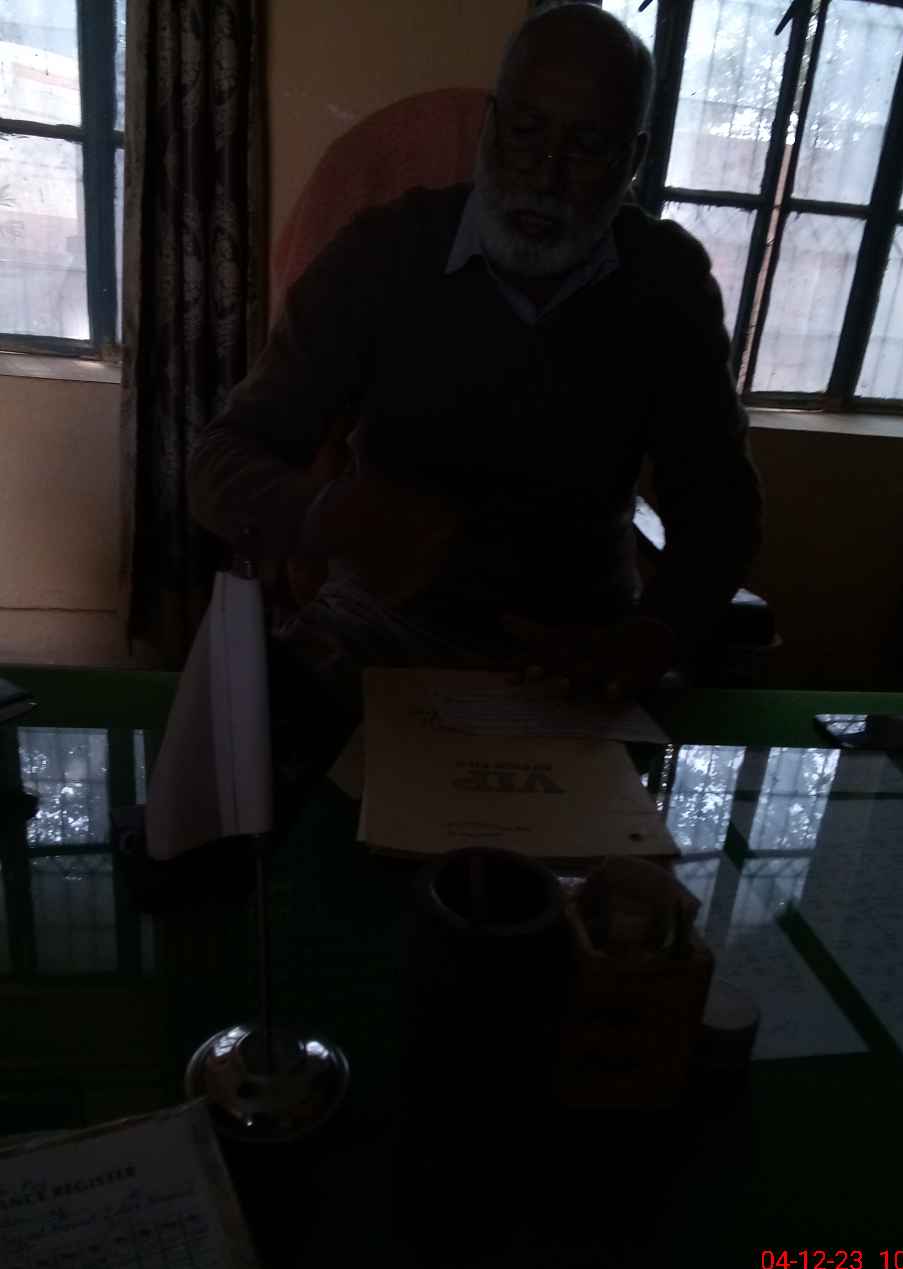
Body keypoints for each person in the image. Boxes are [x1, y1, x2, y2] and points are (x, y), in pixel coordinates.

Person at [188, 1, 763, 731]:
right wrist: (326, 516)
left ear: (634, 159)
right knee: (246, 750)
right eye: (525, 133)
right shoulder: (383, 252)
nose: (546, 176)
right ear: (490, 125)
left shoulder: (668, 284)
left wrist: (653, 634)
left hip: (579, 651)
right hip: (378, 634)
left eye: (588, 147)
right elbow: (218, 460)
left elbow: (721, 508)